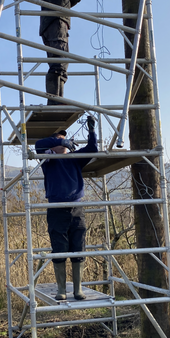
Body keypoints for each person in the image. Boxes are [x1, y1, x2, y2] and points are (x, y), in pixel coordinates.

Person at [35, 116, 98, 300]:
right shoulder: (47, 160)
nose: (64, 143)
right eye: (59, 140)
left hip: (76, 209)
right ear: (53, 144)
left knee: (78, 247)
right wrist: (59, 140)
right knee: (59, 248)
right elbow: (39, 143)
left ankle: (78, 289)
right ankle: (61, 289)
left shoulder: (75, 159)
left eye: (65, 140)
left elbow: (93, 149)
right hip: (56, 209)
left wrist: (92, 131)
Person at [39, 0, 101, 105]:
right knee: (59, 62)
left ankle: (56, 101)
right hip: (56, 23)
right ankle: (55, 102)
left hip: (52, 23)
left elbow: (64, 4)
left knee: (59, 62)